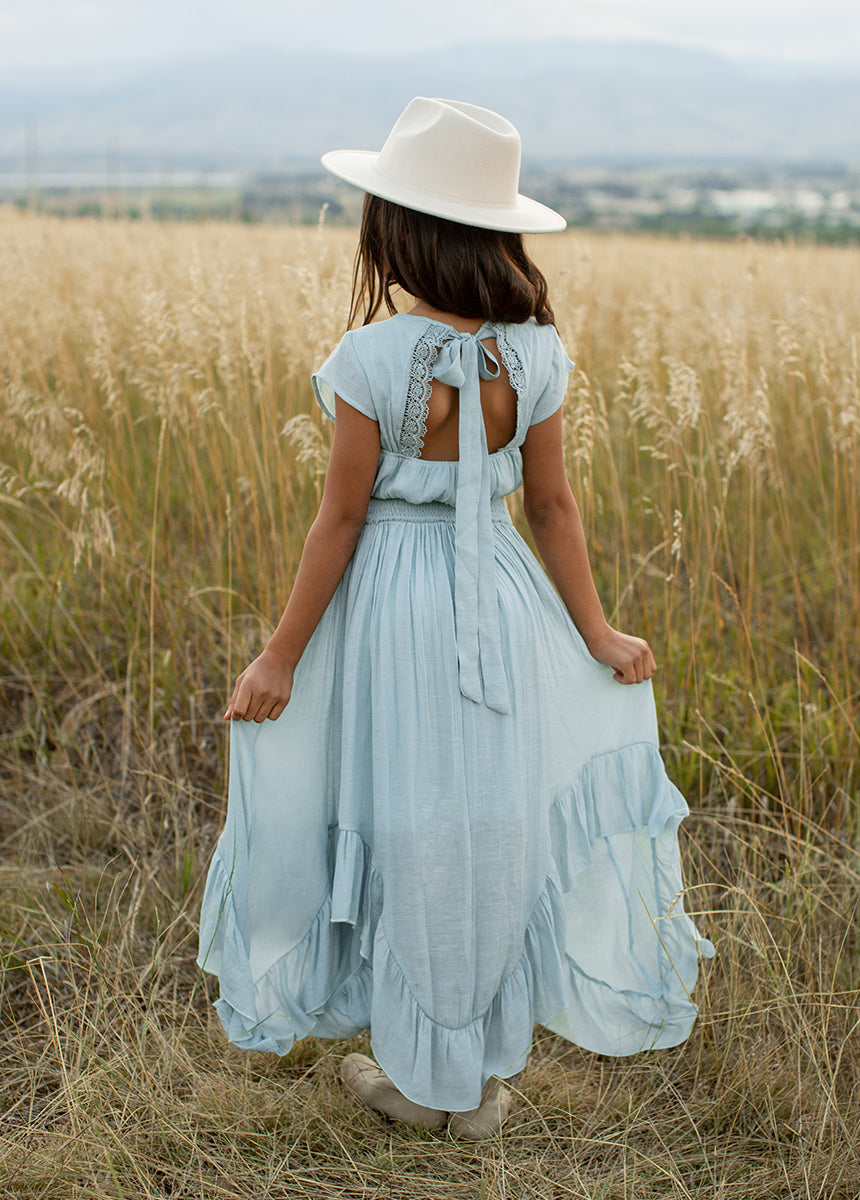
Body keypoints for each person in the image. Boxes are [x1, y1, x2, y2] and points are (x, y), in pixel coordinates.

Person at [197, 97, 713, 1140]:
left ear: (399, 229)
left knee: (410, 818)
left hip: (396, 608)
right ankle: (469, 1081)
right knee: (492, 821)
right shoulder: (536, 354)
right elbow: (552, 508)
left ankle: (428, 1082)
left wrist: (279, 656)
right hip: (504, 598)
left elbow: (342, 520)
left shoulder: (371, 358)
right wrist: (596, 632)